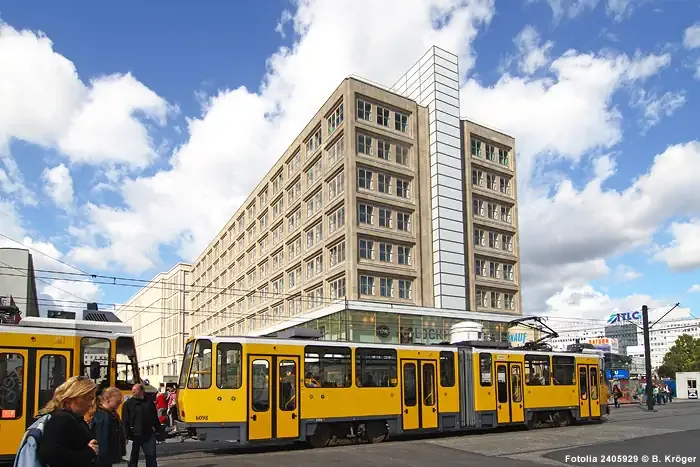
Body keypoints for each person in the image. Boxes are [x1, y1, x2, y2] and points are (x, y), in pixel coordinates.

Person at [35, 376, 99, 467]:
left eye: (92, 399)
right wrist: (89, 452)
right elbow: (49, 455)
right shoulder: (62, 419)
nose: (91, 403)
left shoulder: (70, 417)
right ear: (69, 399)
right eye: (87, 398)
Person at [87, 387, 127, 467]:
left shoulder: (110, 414)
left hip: (106, 459)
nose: (120, 402)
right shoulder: (104, 417)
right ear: (107, 399)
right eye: (118, 401)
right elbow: (102, 441)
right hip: (102, 460)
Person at [122, 383, 159, 467]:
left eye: (135, 391)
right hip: (133, 435)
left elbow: (154, 418)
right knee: (132, 459)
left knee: (151, 457)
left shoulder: (149, 403)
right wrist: (126, 436)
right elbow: (125, 421)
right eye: (133, 391)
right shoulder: (128, 404)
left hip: (148, 434)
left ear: (142, 391)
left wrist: (159, 430)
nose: (133, 393)